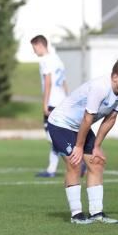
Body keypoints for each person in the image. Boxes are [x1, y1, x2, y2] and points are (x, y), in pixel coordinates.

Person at [46, 57, 118, 224]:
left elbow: (110, 118)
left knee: (96, 163)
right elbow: (87, 119)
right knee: (74, 162)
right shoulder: (100, 87)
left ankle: (97, 213)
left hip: (80, 126)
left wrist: (96, 146)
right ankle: (76, 215)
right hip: (60, 124)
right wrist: (79, 147)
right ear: (115, 77)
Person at [30, 35, 70, 177]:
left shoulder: (45, 60)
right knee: (55, 138)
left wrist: (45, 104)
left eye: (34, 48)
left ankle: (75, 162)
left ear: (40, 45)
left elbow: (48, 82)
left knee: (53, 137)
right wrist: (68, 99)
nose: (34, 51)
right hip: (62, 102)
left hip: (53, 103)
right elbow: (64, 81)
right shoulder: (57, 59)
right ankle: (51, 169)